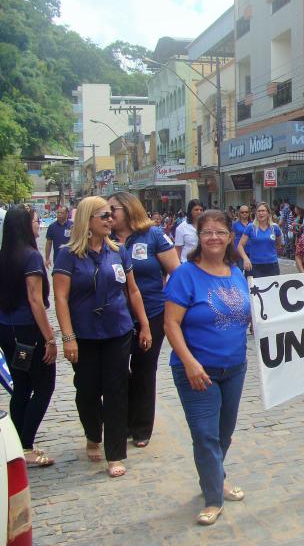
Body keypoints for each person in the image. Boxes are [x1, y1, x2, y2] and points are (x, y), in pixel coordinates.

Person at [53, 196, 152, 477]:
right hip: (84, 334)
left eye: (111, 215)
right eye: (104, 216)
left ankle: (115, 452)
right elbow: (60, 298)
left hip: (117, 330)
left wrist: (143, 324)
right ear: (88, 220)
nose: (111, 220)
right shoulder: (68, 255)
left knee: (116, 390)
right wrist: (68, 337)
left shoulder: (118, 251)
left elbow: (132, 291)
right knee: (86, 390)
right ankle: (93, 433)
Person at [163, 210, 250, 525]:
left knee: (223, 434)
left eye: (220, 232)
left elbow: (248, 315)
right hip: (197, 371)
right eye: (207, 232)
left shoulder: (235, 272)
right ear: (197, 238)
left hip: (235, 369)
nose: (214, 237)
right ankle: (213, 497)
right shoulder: (185, 275)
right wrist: (189, 362)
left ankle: (217, 477)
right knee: (205, 435)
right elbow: (171, 323)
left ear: (229, 237)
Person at [108, 191, 180, 448]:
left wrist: (169, 306)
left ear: (128, 209)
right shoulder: (106, 239)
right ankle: (122, 421)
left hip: (151, 313)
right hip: (115, 318)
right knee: (117, 372)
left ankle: (141, 427)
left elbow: (177, 273)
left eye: (113, 209)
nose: (109, 214)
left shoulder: (154, 235)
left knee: (144, 369)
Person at [0, 207, 57, 467]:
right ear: (25, 226)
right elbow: (36, 301)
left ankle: (16, 445)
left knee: (22, 386)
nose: (38, 226)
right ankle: (25, 445)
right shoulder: (31, 257)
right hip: (28, 331)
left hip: (6, 331)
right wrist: (50, 337)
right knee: (44, 386)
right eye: (36, 222)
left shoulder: (3, 256)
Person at [237, 202, 283, 278]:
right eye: (259, 211)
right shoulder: (251, 227)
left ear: (268, 213)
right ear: (256, 213)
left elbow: (279, 244)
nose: (261, 213)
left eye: (263, 211)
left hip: (272, 266)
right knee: (253, 289)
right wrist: (245, 259)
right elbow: (240, 246)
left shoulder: (275, 228)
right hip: (254, 266)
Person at [44, 204, 73, 269]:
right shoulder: (52, 227)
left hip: (71, 258)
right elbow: (48, 243)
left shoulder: (72, 226)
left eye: (62, 213)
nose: (59, 215)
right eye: (58, 213)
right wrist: (47, 259)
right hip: (57, 259)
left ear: (67, 214)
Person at [232, 205, 251, 271]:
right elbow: (231, 239)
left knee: (250, 273)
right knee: (239, 271)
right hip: (239, 253)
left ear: (249, 213)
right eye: (242, 212)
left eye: (246, 212)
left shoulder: (253, 224)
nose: (244, 213)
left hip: (250, 252)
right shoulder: (235, 224)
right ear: (239, 213)